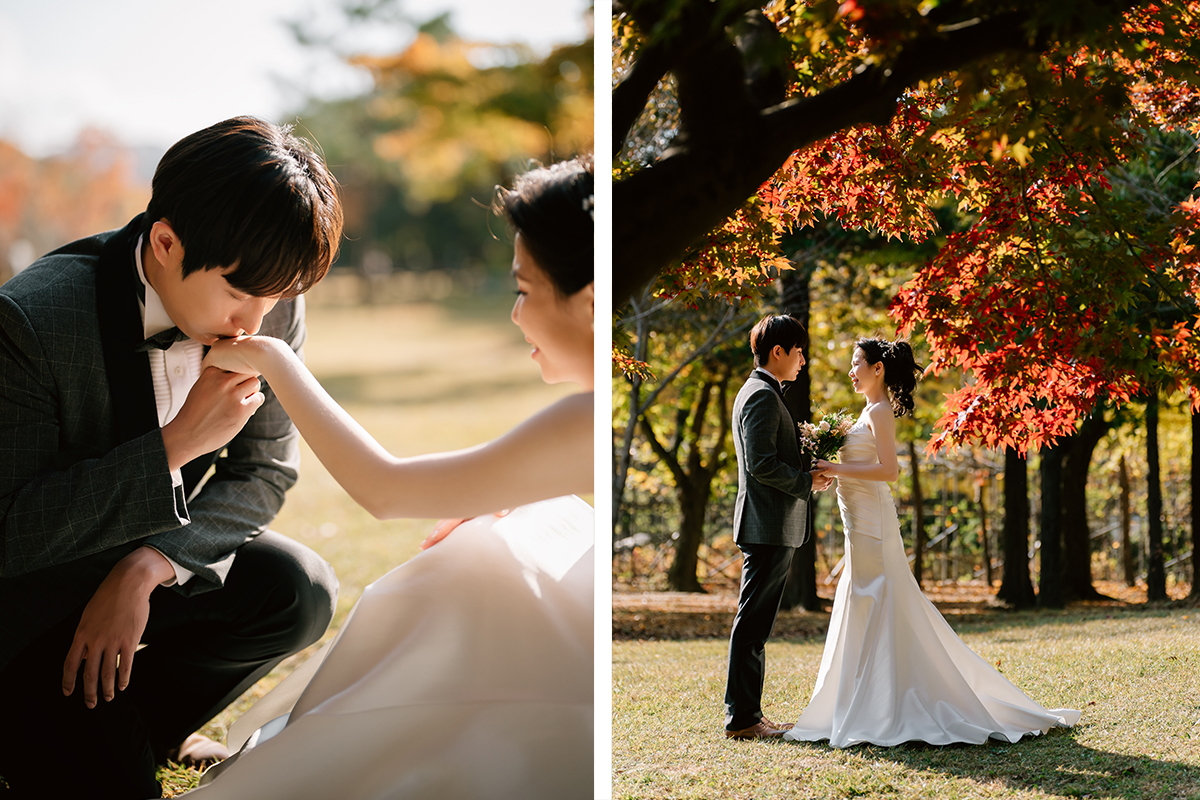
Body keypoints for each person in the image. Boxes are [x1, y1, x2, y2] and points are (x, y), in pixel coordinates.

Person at [184, 156, 594, 799]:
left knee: (470, 567)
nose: (514, 315)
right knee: (494, 536)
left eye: (523, 289)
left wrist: (275, 360)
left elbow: (387, 488)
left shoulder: (588, 416)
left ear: (590, 300)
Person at [0, 116, 344, 799]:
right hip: (32, 615)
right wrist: (178, 443)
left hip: (145, 577)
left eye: (276, 298)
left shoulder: (268, 299)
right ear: (164, 242)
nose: (257, 321)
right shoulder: (31, 321)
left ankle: (151, 722)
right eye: (240, 293)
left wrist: (148, 564)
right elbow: (11, 530)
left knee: (298, 591)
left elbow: (265, 467)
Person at [785, 337, 1081, 747]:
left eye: (857, 363)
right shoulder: (865, 410)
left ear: (878, 369)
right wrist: (834, 474)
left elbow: (889, 471)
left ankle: (893, 705)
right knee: (865, 600)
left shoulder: (880, 410)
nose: (851, 371)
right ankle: (864, 699)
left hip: (874, 523)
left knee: (880, 597)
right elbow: (863, 464)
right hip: (857, 520)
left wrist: (835, 466)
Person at [724, 315, 832, 740]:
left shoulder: (766, 392)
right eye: (799, 351)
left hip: (771, 524)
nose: (803, 360)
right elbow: (761, 464)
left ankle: (748, 714)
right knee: (752, 625)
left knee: (756, 625)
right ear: (778, 352)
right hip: (766, 524)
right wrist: (805, 482)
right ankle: (743, 719)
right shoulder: (761, 396)